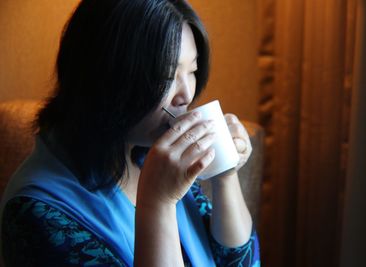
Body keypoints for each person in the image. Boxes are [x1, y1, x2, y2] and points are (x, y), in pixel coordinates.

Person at [0, 0, 260, 266]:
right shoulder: (35, 213)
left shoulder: (150, 152)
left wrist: (225, 174)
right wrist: (157, 205)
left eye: (192, 70)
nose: (185, 95)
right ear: (105, 76)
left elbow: (240, 262)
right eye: (165, 76)